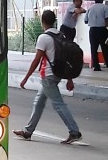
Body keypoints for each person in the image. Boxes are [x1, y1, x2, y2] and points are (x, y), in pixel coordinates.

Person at [14, 9, 82, 144]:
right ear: (54, 21)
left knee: (58, 104)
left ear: (42, 21)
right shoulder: (60, 35)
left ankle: (74, 131)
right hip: (57, 73)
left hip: (48, 75)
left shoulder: (43, 38)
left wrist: (25, 78)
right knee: (38, 102)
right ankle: (28, 131)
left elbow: (36, 60)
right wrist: (69, 79)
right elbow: (66, 57)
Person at [86, 0, 108, 71]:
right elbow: (107, 19)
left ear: (95, 0)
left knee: (93, 48)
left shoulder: (90, 8)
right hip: (102, 30)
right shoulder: (105, 7)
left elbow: (85, 20)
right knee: (105, 48)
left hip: (92, 30)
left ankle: (96, 66)